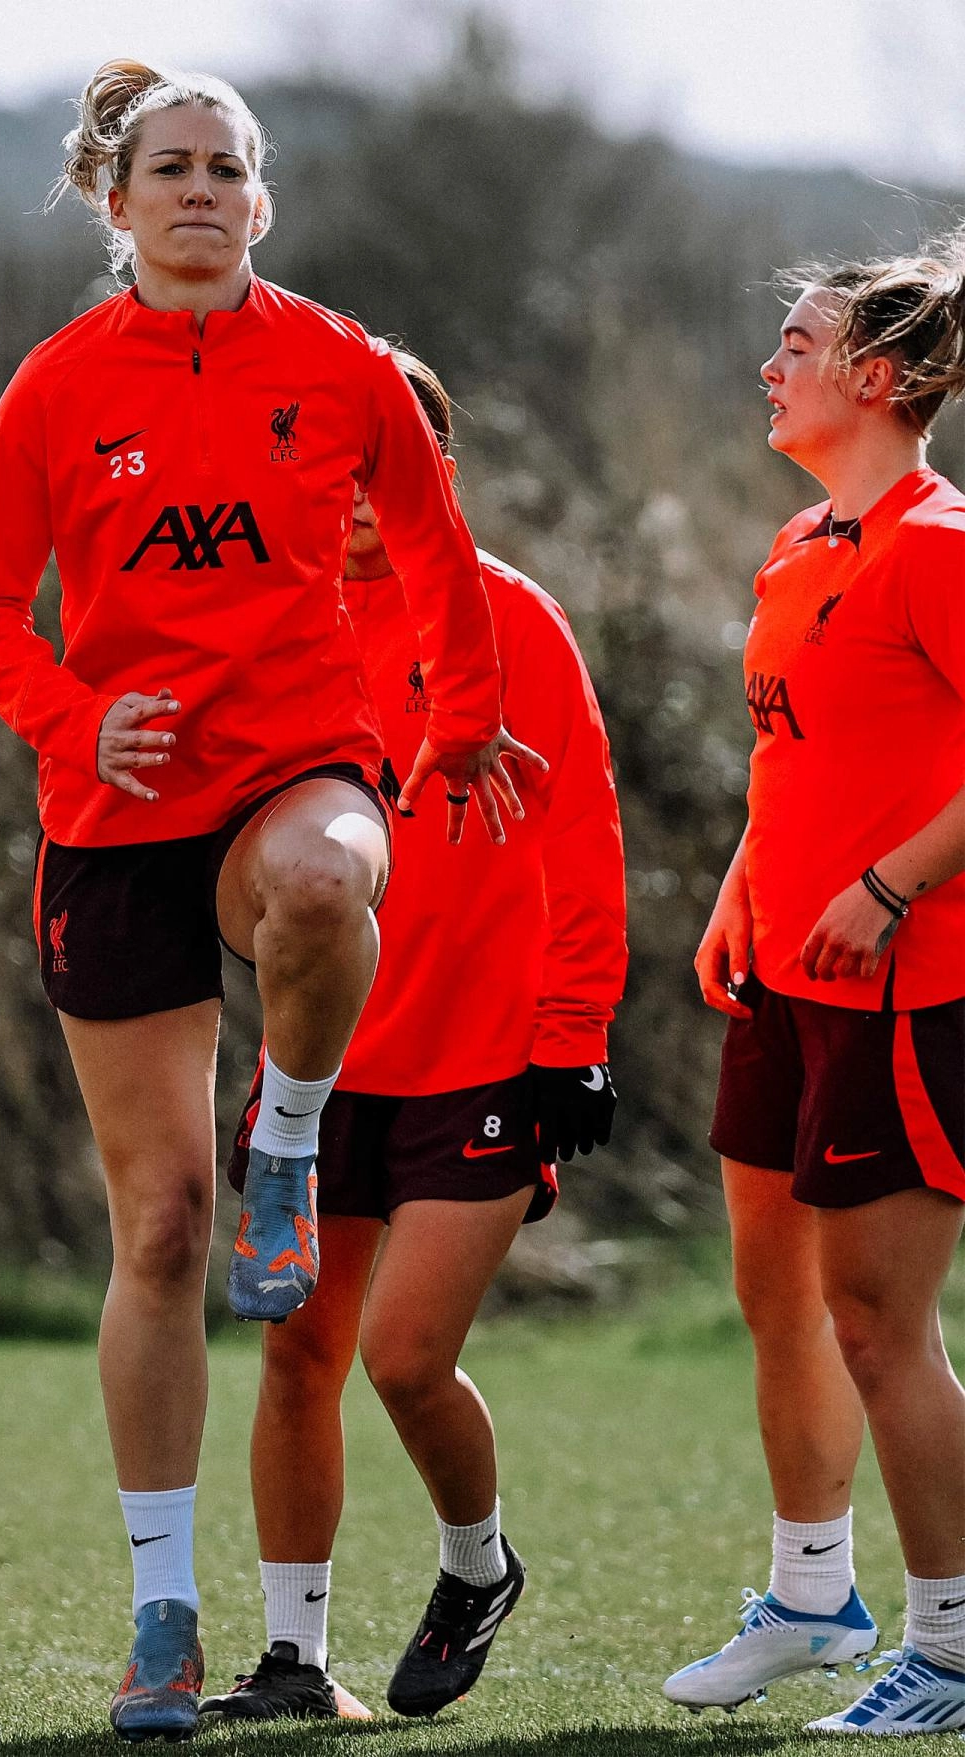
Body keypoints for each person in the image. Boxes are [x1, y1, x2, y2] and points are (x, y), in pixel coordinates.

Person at [0, 62, 544, 1742]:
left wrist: (463, 720)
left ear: (260, 203)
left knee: (330, 874)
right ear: (115, 201)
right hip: (115, 806)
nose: (200, 188)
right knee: (158, 1233)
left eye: (227, 167)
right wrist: (79, 719)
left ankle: (290, 1137)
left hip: (299, 763)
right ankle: (160, 1618)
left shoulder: (340, 364)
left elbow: (434, 549)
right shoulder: (58, 386)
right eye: (170, 168)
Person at [200, 351, 627, 1721]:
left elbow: (584, 839)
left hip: (488, 1058)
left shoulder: (508, 617)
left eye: (394, 451)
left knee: (403, 1358)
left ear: (437, 463)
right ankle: (292, 1659)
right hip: (321, 1068)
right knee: (294, 1355)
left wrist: (575, 1033)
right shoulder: (281, 622)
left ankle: (475, 1565)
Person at [665, 229, 965, 1735]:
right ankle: (809, 1597)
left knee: (874, 1321)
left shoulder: (941, 543)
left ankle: (958, 1644)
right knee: (778, 1296)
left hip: (910, 992)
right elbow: (794, 759)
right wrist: (742, 888)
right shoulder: (803, 544)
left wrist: (893, 882)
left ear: (883, 377)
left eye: (799, 341)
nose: (771, 364)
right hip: (785, 980)